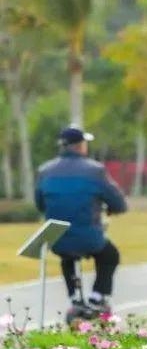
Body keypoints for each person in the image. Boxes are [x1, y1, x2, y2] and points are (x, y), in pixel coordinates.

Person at [35, 125, 127, 315]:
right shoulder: (95, 171)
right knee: (110, 255)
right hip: (89, 237)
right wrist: (111, 208)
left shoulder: (45, 171)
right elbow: (119, 203)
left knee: (67, 256)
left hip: (57, 237)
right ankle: (97, 298)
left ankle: (75, 299)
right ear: (79, 146)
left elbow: (40, 203)